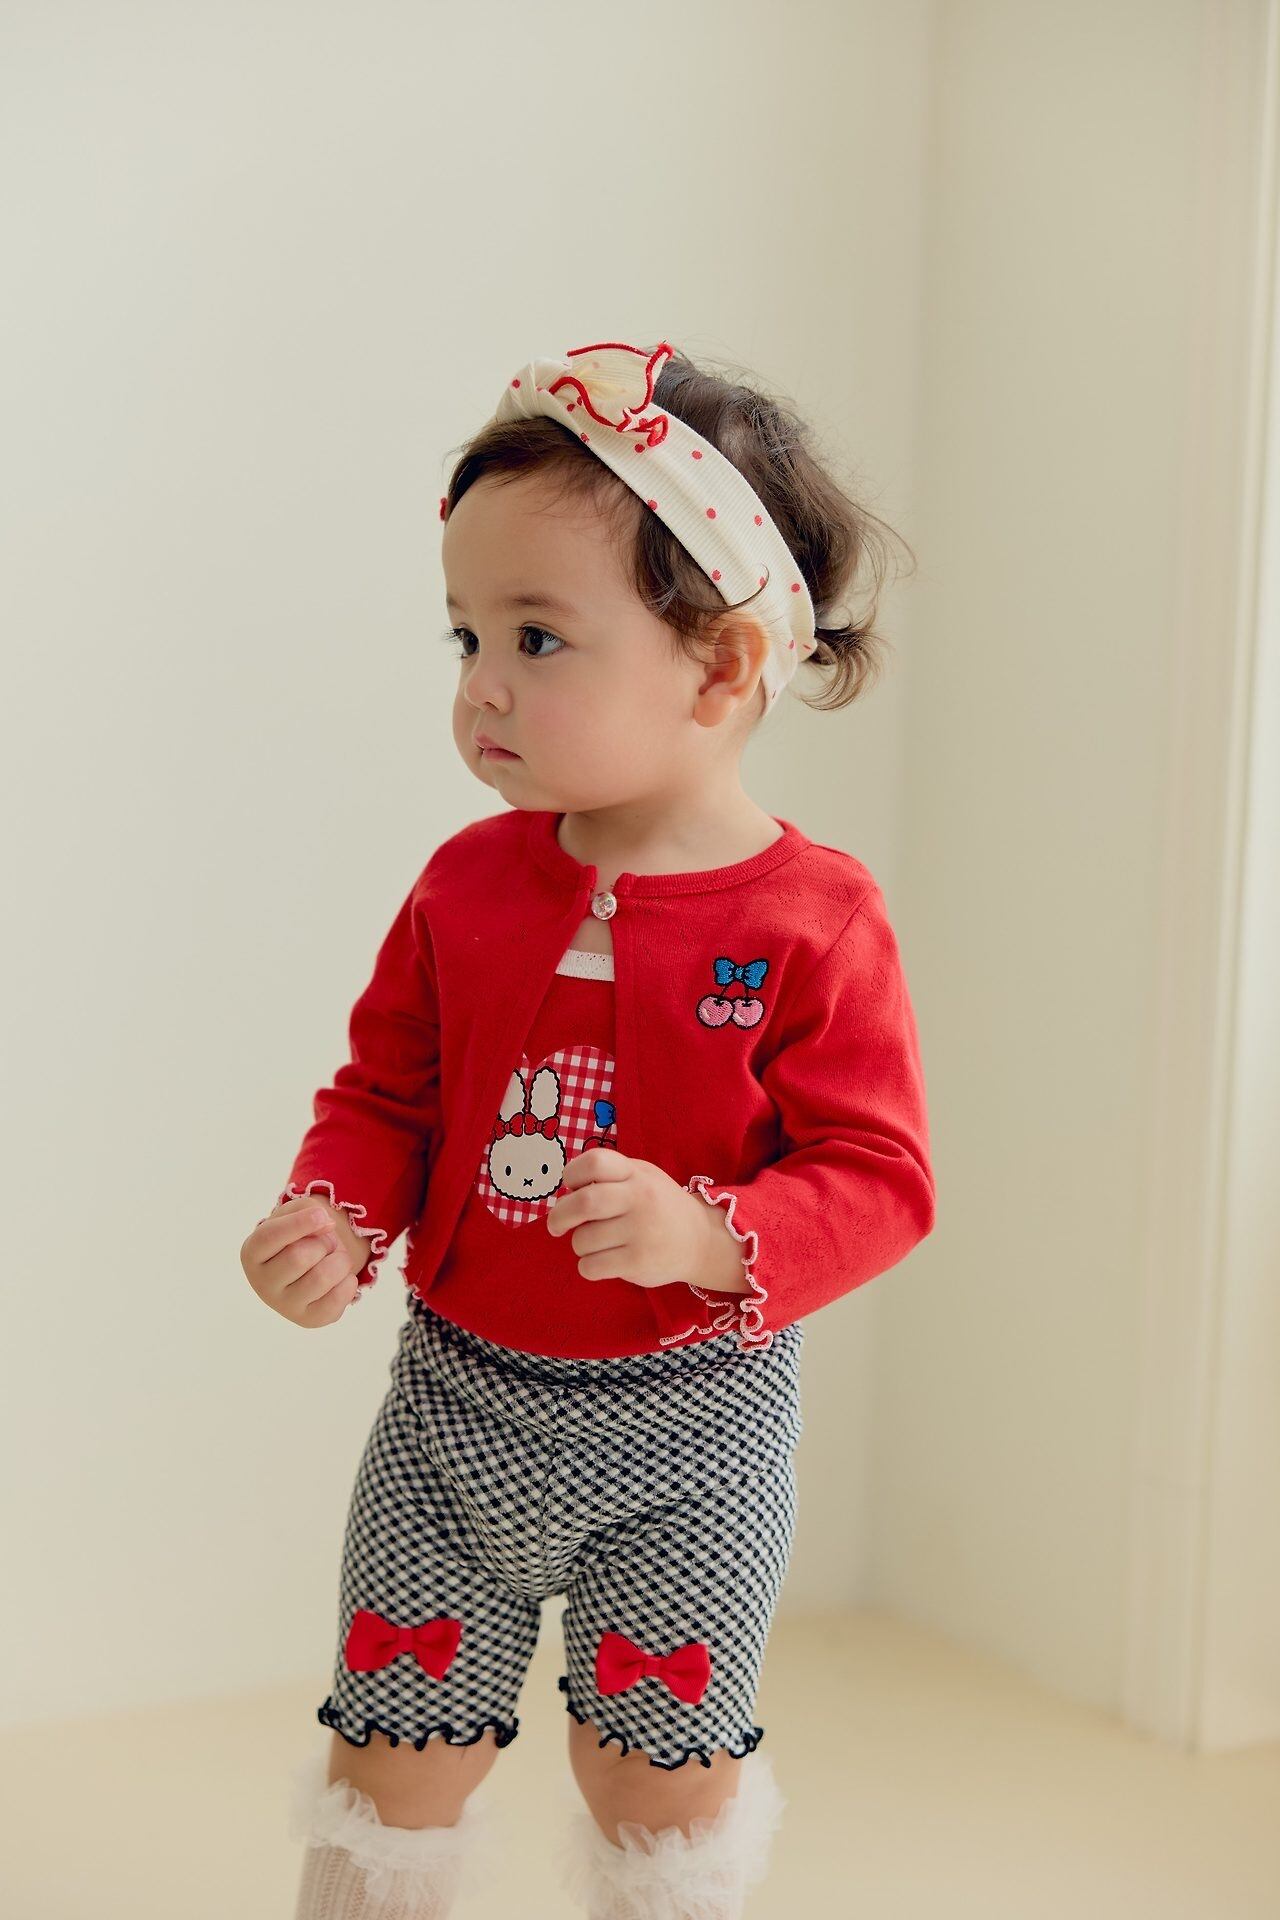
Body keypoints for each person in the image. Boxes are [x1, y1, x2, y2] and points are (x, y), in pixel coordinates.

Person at [240, 337, 937, 1919]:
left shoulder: (816, 921)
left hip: (695, 1435)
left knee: (657, 1781)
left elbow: (882, 1179)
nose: (482, 684)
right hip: (453, 1416)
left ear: (722, 669)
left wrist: (712, 1235)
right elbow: (385, 1097)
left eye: (538, 638)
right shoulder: (466, 886)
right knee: (389, 1756)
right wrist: (335, 1211)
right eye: (467, 634)